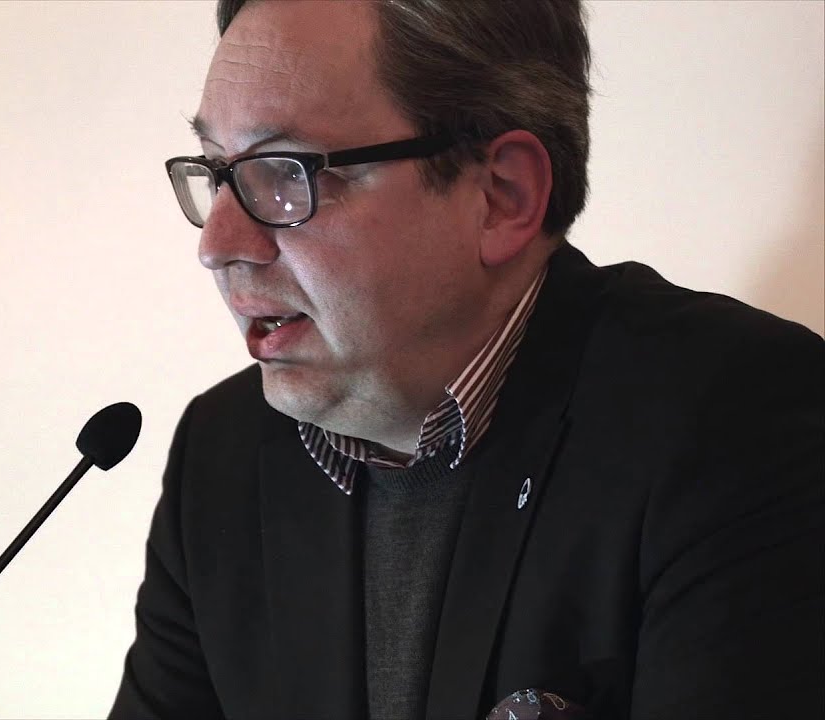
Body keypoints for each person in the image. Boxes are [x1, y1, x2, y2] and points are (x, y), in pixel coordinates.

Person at [109, 1, 824, 718]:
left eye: (284, 173)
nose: (217, 244)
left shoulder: (735, 419)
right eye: (217, 171)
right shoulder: (222, 455)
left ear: (501, 197)